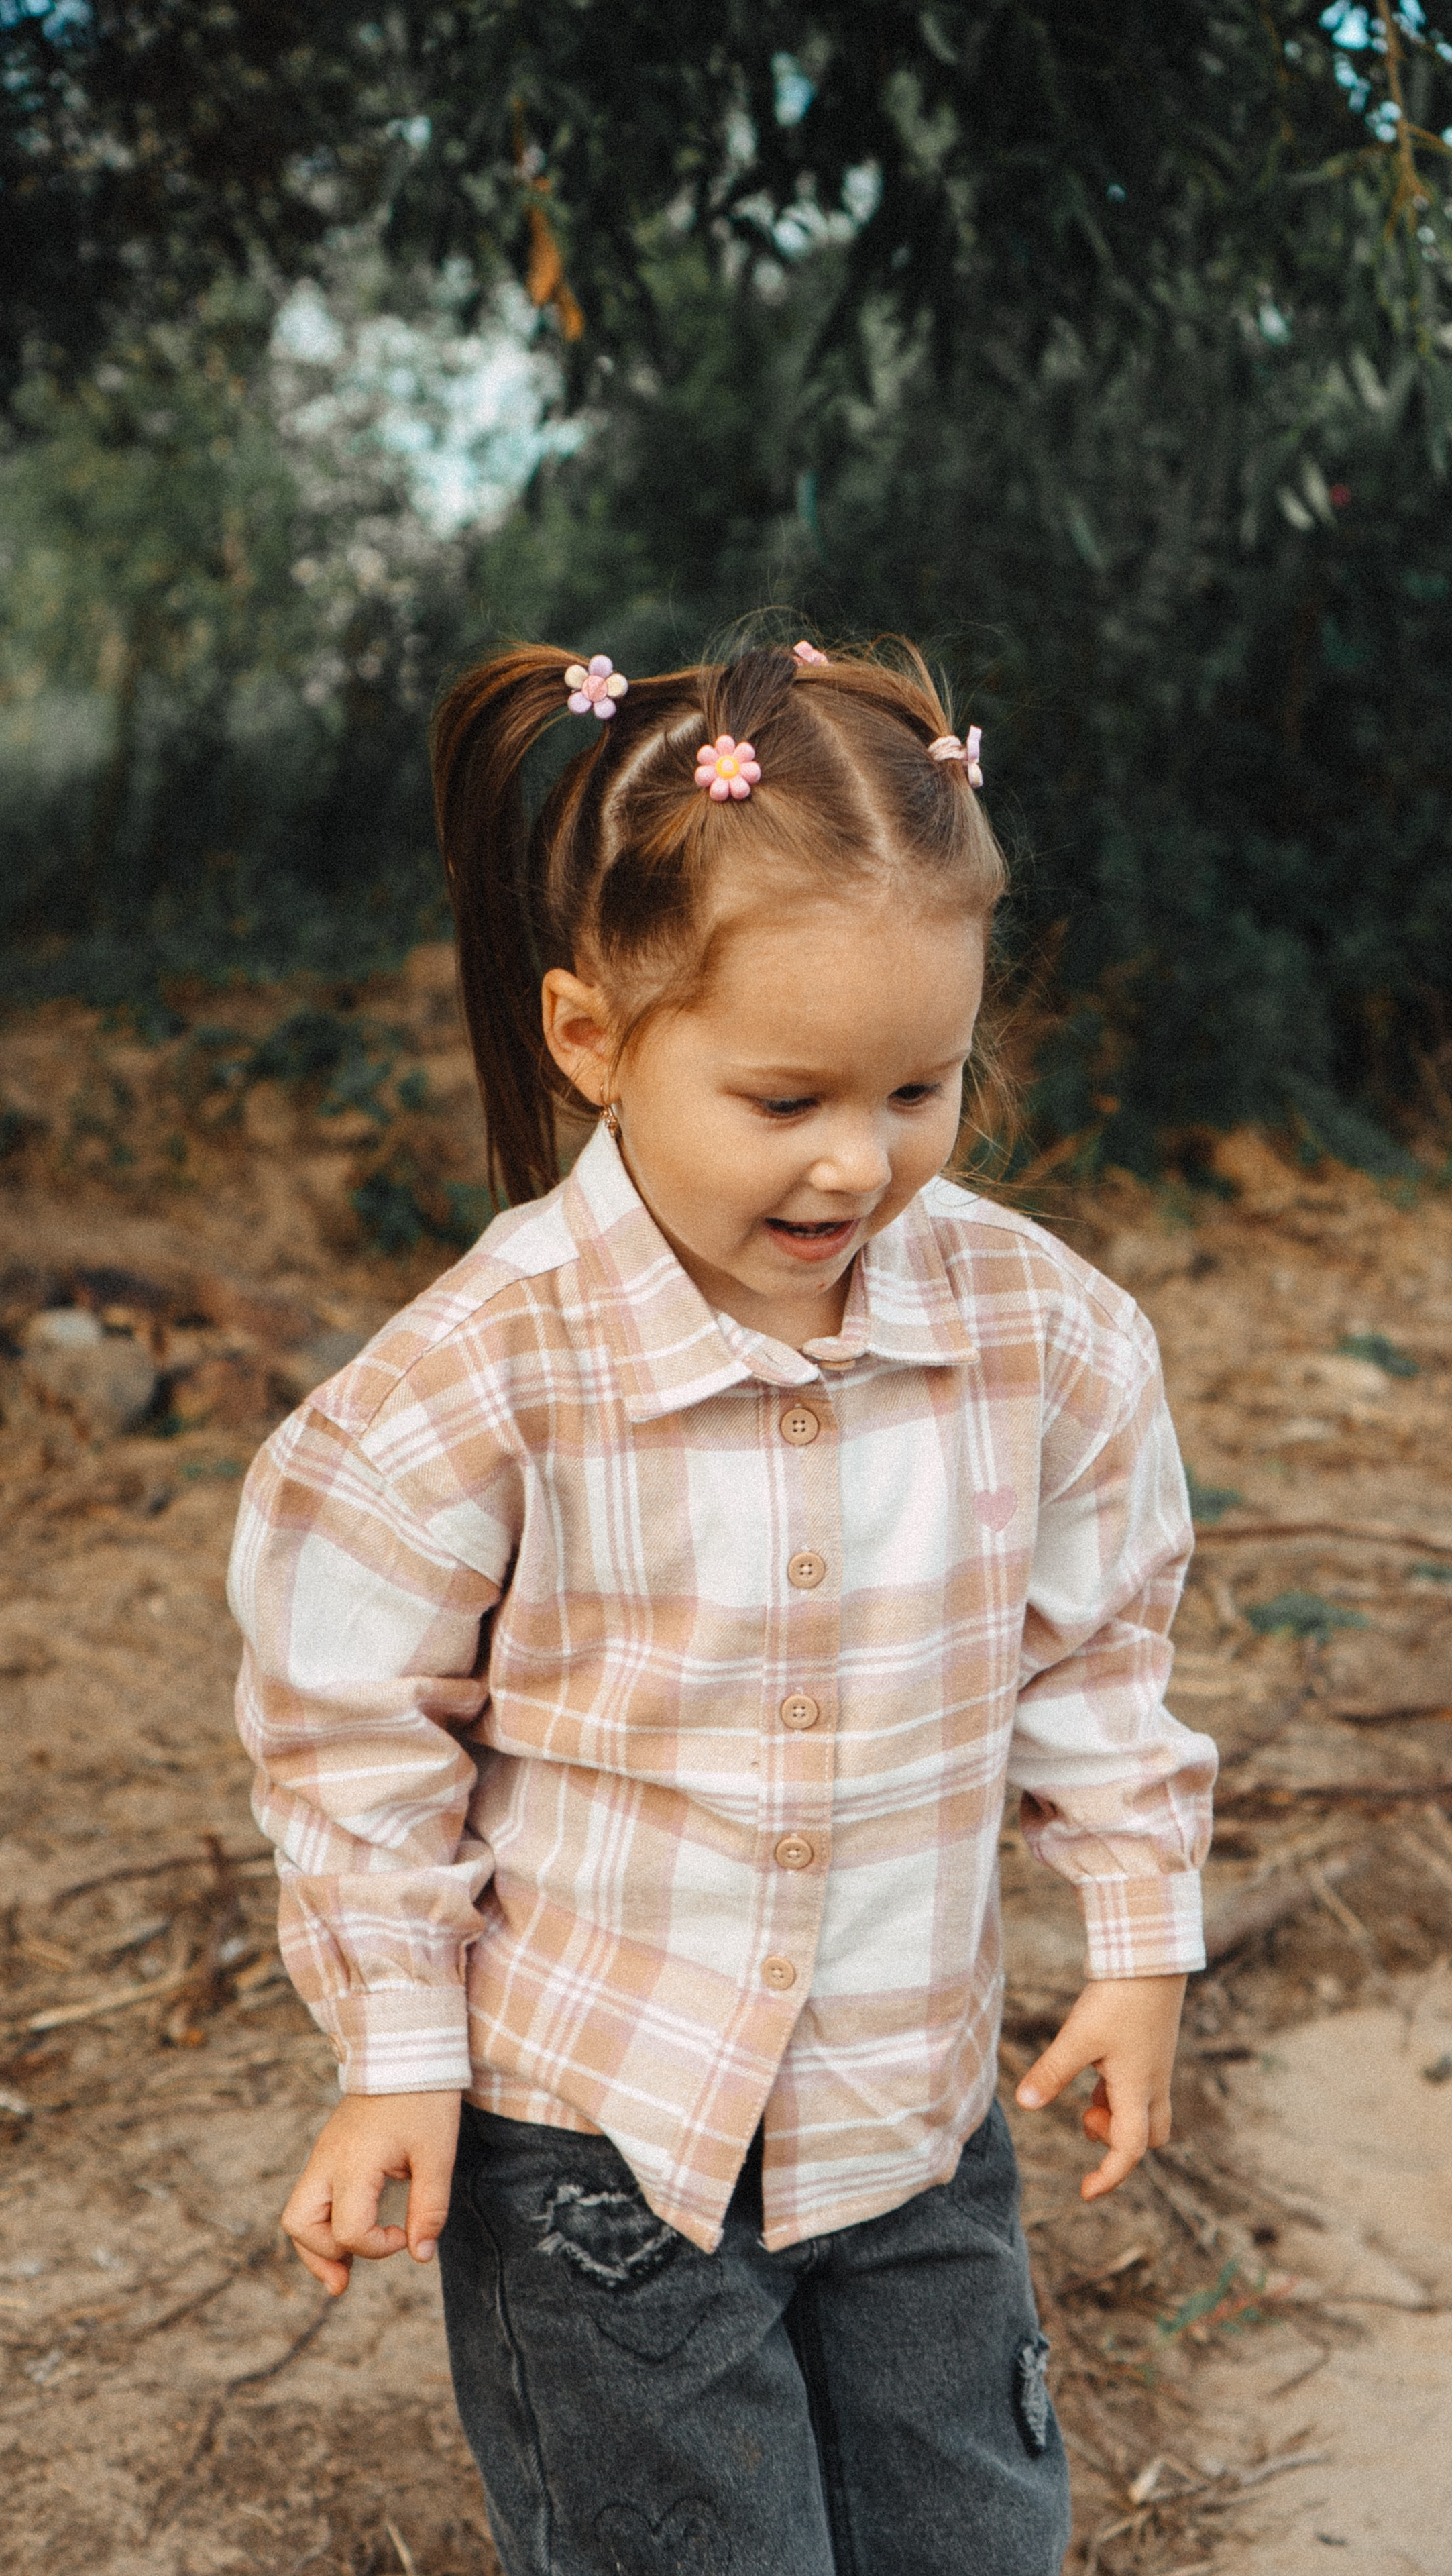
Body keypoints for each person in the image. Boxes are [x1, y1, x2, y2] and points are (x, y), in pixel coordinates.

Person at [230, 635, 1217, 2576]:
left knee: (974, 2538)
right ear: (593, 1038)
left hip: (913, 2121)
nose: (859, 1159)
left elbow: (1101, 1655)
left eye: (920, 1086)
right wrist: (397, 2050)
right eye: (783, 1097)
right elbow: (351, 1733)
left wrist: (1139, 1940)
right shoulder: (477, 1380)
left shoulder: (1047, 1338)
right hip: (601, 2158)